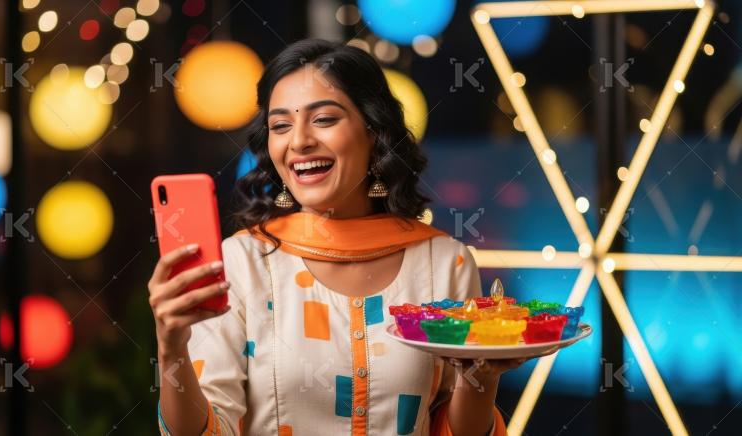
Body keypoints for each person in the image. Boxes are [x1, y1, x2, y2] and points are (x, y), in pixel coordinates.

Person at [149, 38, 522, 436]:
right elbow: (207, 430)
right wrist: (171, 346)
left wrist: (481, 377)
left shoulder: (444, 262)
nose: (298, 141)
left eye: (324, 119)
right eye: (280, 126)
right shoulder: (243, 262)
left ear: (374, 131)